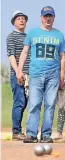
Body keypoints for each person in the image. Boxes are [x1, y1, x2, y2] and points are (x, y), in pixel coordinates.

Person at [17, 6, 65, 143]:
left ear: (54, 18)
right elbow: (25, 53)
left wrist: (62, 76)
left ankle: (46, 134)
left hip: (53, 75)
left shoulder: (59, 35)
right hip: (36, 74)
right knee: (34, 104)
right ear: (41, 17)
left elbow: (62, 57)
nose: (48, 18)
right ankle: (31, 134)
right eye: (45, 16)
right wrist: (20, 71)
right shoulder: (32, 33)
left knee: (50, 105)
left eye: (50, 16)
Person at [6, 10, 30, 140]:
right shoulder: (11, 36)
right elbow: (11, 55)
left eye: (23, 18)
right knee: (19, 102)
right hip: (18, 74)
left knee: (27, 103)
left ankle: (26, 129)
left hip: (30, 75)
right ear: (14, 22)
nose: (21, 20)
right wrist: (18, 72)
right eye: (18, 18)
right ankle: (16, 131)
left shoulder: (28, 36)